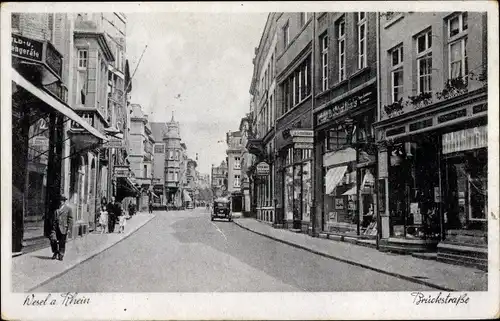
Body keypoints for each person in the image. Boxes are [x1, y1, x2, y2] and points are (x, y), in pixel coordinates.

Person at [50, 195, 73, 261]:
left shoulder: (68, 209)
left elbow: (70, 219)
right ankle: (55, 252)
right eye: (60, 200)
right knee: (53, 240)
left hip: (63, 228)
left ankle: (61, 254)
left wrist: (69, 229)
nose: (61, 202)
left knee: (62, 242)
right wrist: (53, 228)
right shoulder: (56, 209)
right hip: (55, 228)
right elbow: (54, 219)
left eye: (62, 200)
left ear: (64, 201)